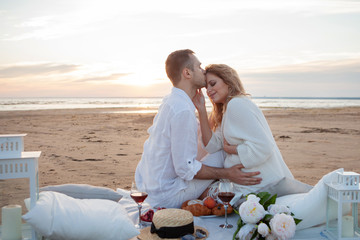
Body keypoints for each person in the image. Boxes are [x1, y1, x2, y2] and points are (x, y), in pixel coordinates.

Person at [135, 50, 262, 208]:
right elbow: (185, 169)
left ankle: (216, 188)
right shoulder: (182, 110)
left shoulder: (171, 100)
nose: (203, 71)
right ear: (187, 72)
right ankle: (246, 182)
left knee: (211, 145)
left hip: (150, 188)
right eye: (199, 66)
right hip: (167, 196)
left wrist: (202, 109)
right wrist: (227, 174)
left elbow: (200, 141)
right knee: (222, 151)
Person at [193, 64, 294, 196]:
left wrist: (231, 149)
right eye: (207, 87)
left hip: (256, 184)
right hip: (242, 182)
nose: (209, 90)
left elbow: (264, 147)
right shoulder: (227, 109)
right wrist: (201, 109)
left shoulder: (237, 105)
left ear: (228, 82)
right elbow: (212, 145)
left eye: (213, 84)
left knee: (198, 196)